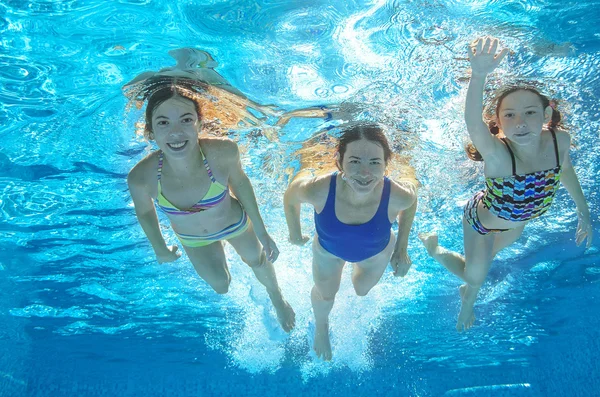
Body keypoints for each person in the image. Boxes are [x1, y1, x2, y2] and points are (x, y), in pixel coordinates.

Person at [419, 37, 593, 332]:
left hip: (517, 225)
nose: (521, 122)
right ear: (498, 123)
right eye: (510, 115)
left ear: (546, 116)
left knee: (480, 264)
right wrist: (479, 75)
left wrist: (583, 213)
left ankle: (465, 271)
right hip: (481, 222)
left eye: (530, 113)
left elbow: (565, 171)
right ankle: (455, 283)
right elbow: (473, 123)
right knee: (475, 277)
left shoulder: (558, 140)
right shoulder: (498, 154)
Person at [126, 79, 296, 332]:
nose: (176, 132)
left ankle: (277, 298)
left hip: (234, 223)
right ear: (150, 131)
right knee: (221, 285)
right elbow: (144, 212)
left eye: (186, 120)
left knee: (257, 261)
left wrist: (262, 232)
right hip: (193, 238)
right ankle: (221, 254)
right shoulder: (142, 176)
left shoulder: (222, 153)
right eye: (163, 123)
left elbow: (242, 186)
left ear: (200, 124)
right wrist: (159, 248)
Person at [283, 123, 418, 360]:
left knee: (361, 290)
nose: (365, 173)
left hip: (376, 253)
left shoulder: (398, 194)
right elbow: (291, 195)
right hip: (328, 252)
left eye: (375, 163)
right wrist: (294, 232)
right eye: (355, 161)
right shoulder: (320, 189)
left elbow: (411, 201)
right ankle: (321, 327)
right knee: (326, 294)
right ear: (339, 162)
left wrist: (401, 249)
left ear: (387, 164)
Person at [123, 48, 279, 136]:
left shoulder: (152, 78)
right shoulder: (207, 82)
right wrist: (259, 109)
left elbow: (128, 91)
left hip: (189, 85)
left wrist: (258, 108)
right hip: (195, 86)